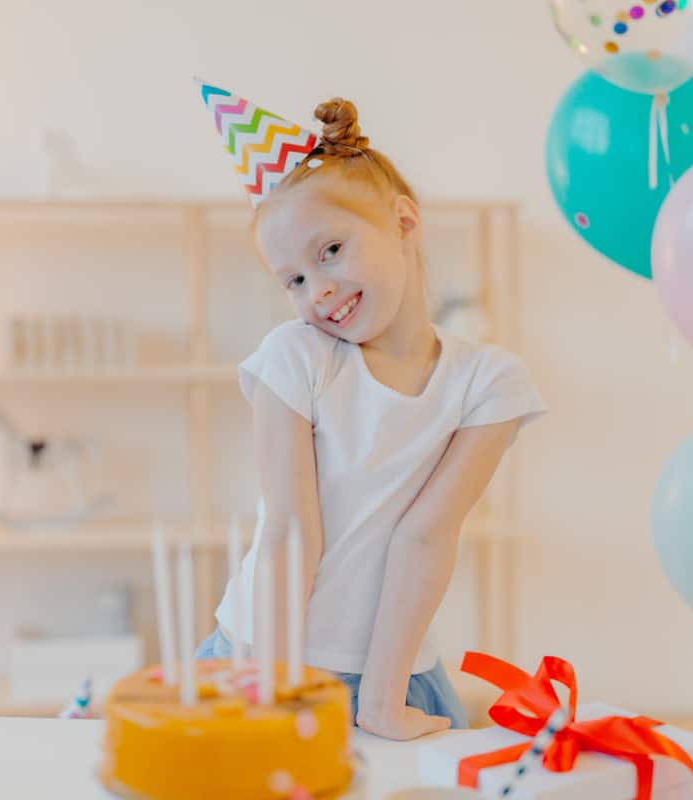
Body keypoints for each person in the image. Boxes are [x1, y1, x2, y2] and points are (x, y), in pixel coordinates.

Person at [193, 81, 547, 741]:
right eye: (293, 279)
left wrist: (381, 702)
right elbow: (289, 532)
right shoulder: (295, 358)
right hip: (265, 660)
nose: (318, 289)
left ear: (404, 223)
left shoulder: (488, 381)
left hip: (393, 672)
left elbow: (425, 537)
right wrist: (271, 690)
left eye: (330, 251)